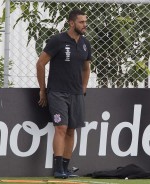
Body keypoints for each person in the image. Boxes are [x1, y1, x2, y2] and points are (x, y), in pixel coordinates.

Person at [36, 9, 92, 179]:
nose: (85, 25)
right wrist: (42, 89)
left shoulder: (85, 44)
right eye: (81, 22)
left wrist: (83, 87)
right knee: (61, 128)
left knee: (71, 130)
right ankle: (58, 168)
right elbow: (40, 64)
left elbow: (86, 67)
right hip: (57, 92)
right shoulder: (57, 40)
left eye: (85, 21)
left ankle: (66, 168)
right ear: (71, 23)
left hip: (76, 94)